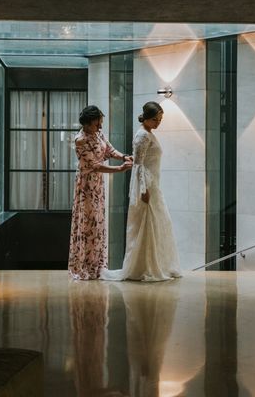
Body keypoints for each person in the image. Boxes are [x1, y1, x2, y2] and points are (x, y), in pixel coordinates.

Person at [101, 102, 182, 282]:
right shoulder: (142, 136)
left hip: (154, 185)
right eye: (155, 119)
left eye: (160, 120)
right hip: (147, 187)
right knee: (147, 225)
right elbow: (138, 165)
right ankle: (145, 267)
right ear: (146, 117)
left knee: (157, 224)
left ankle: (157, 264)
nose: (158, 123)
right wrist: (143, 190)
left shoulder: (149, 134)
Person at [69, 105, 133, 280]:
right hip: (86, 186)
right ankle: (84, 266)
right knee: (88, 223)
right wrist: (119, 169)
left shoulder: (98, 134)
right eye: (98, 123)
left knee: (97, 224)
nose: (100, 126)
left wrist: (124, 156)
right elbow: (94, 165)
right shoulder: (80, 140)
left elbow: (109, 150)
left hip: (97, 185)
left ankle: (97, 266)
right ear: (88, 123)